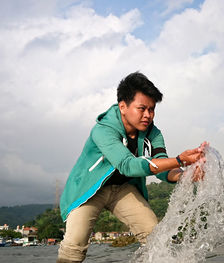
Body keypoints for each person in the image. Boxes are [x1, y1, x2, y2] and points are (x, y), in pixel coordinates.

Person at [57, 72, 208, 263]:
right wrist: (179, 159)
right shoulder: (103, 130)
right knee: (74, 247)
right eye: (142, 108)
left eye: (152, 109)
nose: (148, 115)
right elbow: (128, 165)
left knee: (156, 238)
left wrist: (185, 175)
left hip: (123, 189)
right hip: (89, 189)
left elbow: (160, 164)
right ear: (123, 106)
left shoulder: (153, 133)